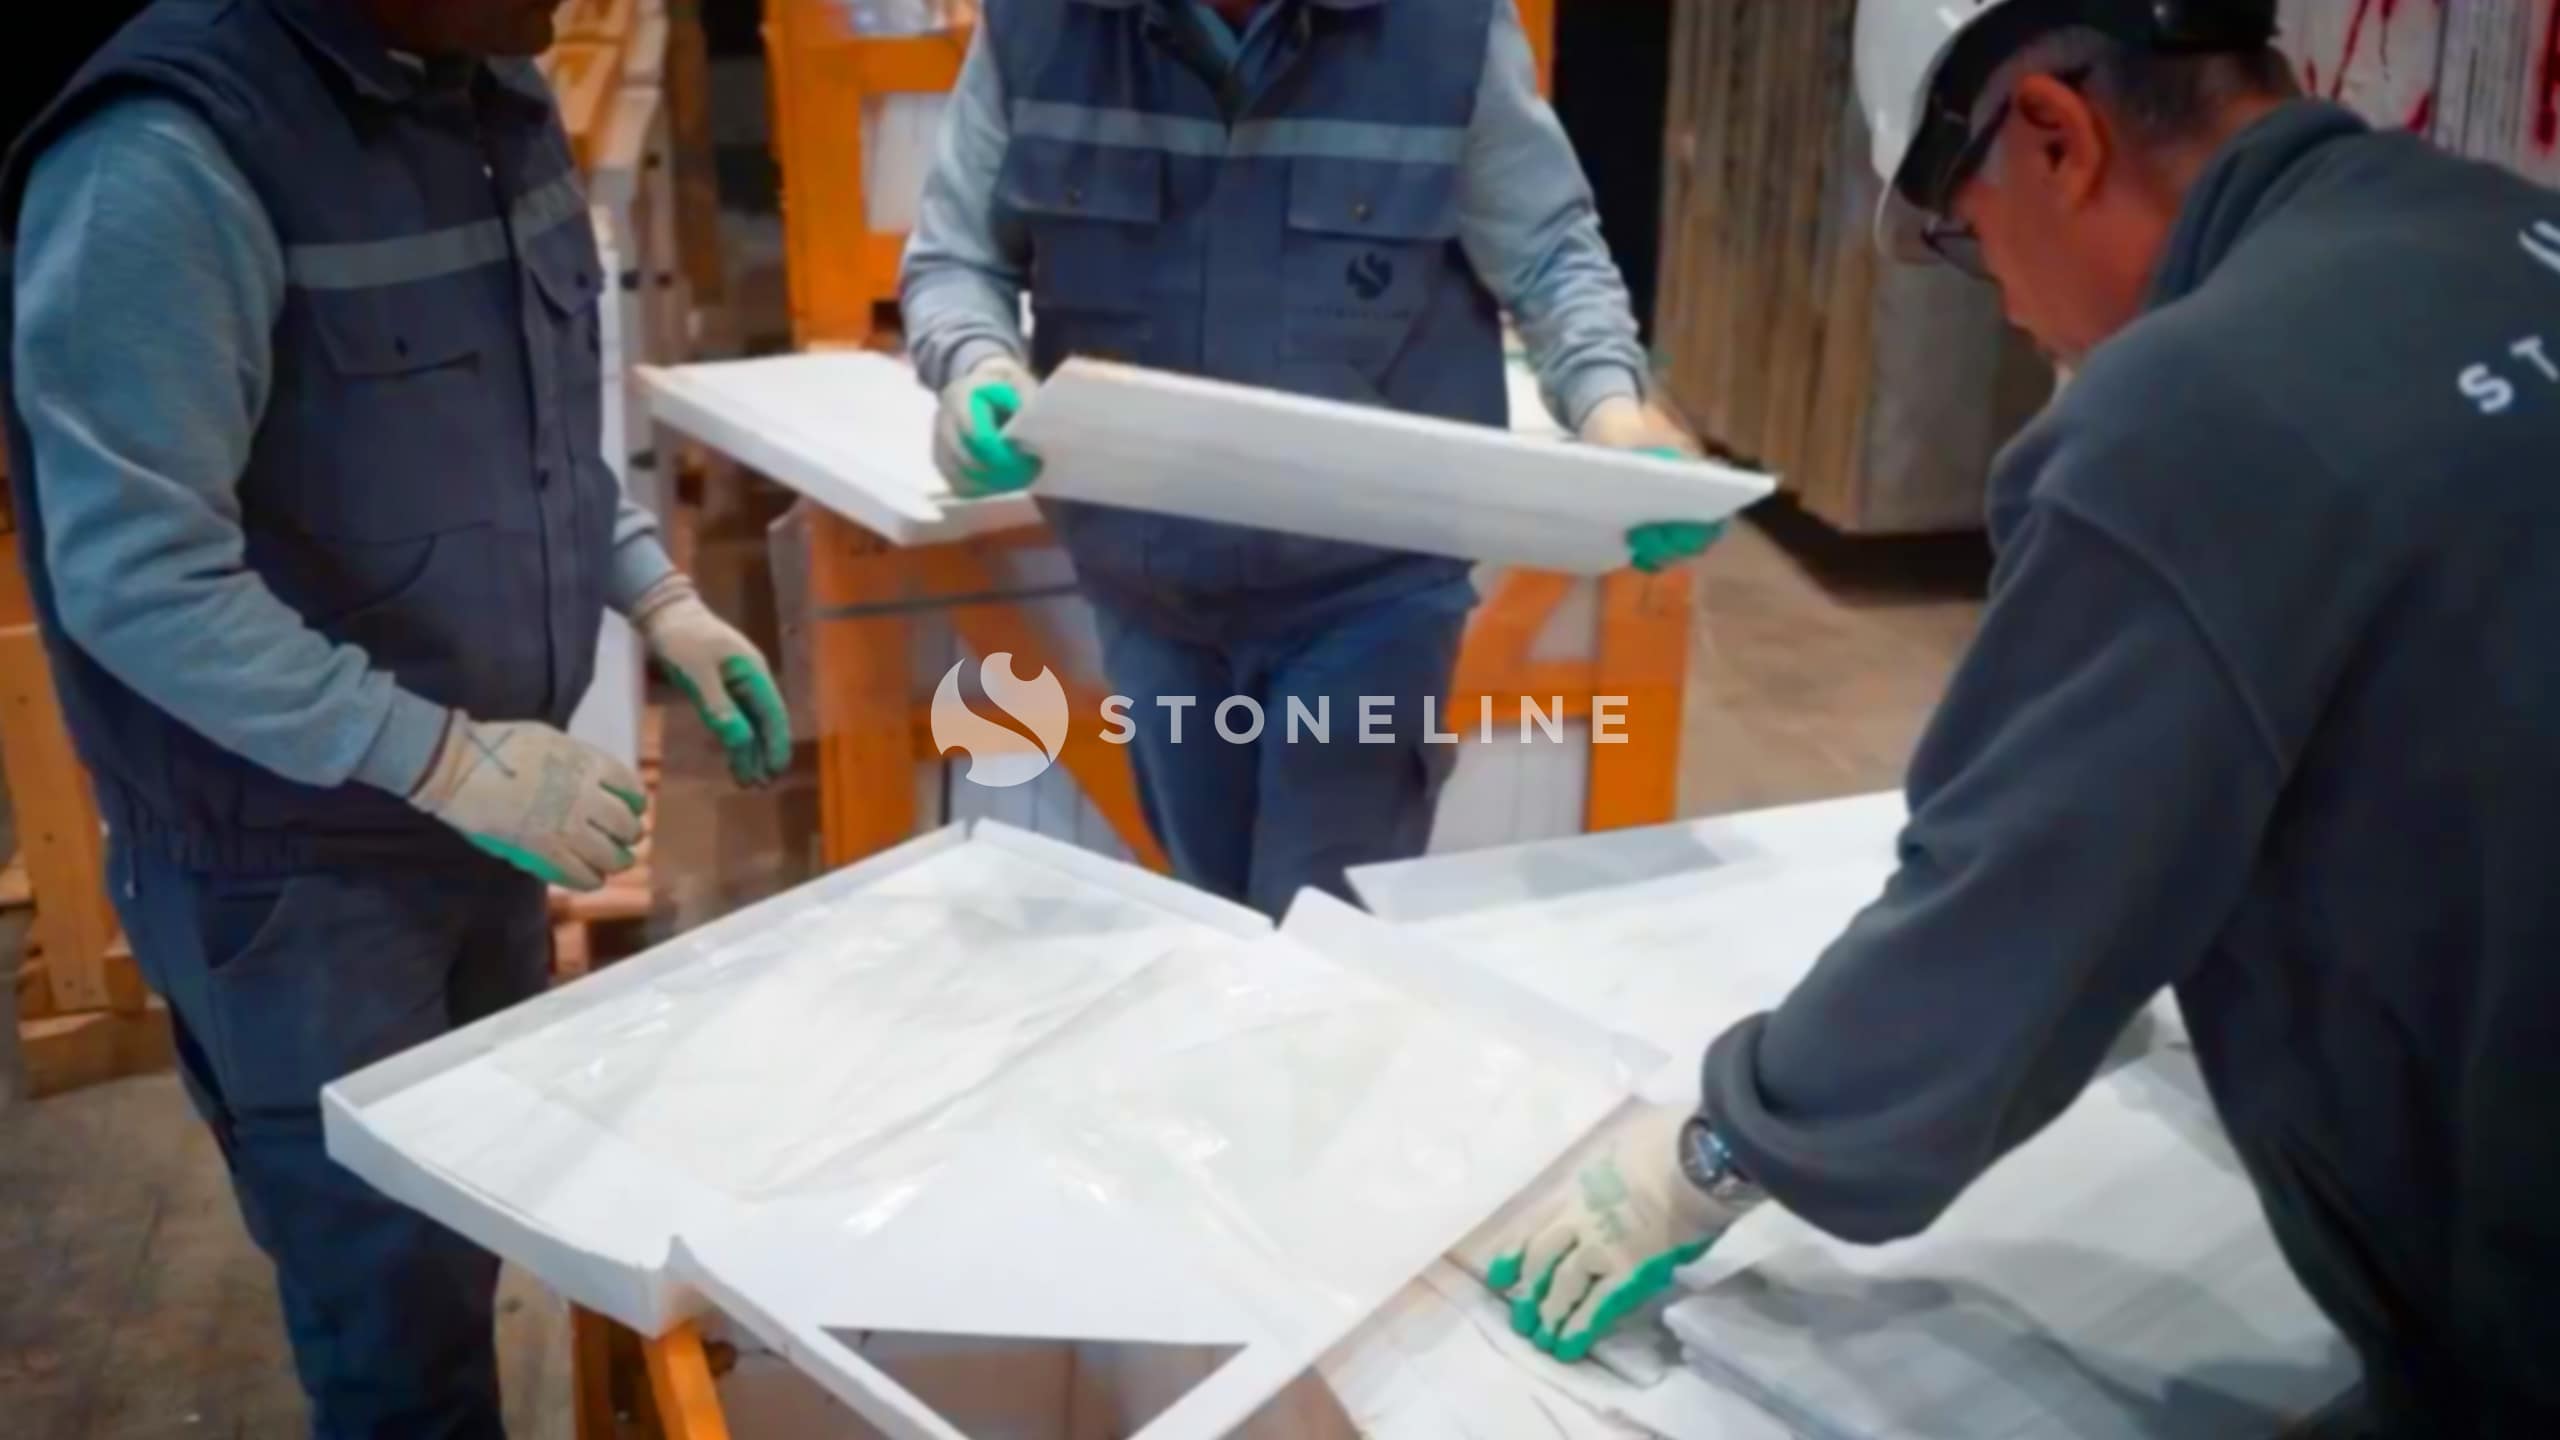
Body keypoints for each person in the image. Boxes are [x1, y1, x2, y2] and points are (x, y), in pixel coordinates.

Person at [1480, 0, 2560, 1430]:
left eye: (1966, 234)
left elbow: (2010, 901)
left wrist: (1716, 1150)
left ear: (2054, 135)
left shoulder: (2191, 416)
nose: (1998, 299)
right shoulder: (2506, 231)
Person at [1, 1, 789, 1433]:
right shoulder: (164, 162)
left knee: (472, 1239)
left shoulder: (490, 88)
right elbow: (138, 580)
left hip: (479, 824)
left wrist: (657, 595)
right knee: (396, 1338)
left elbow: (530, 440)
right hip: (298, 887)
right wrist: (442, 760)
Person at [901, 0, 1728, 919]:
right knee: (1215, 918)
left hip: (1367, 595)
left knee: (1317, 929)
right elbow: (957, 259)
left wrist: (1616, 418)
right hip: (1152, 592)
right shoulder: (1040, 26)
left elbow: (1550, 259)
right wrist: (977, 367)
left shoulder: (1444, 30)